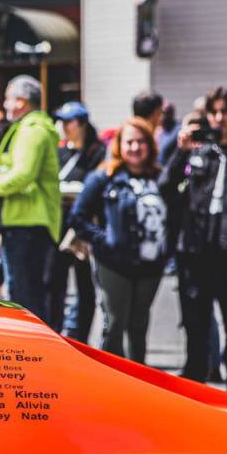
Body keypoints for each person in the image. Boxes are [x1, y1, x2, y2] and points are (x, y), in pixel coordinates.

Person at [161, 87, 227, 395]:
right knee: (195, 325)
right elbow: (165, 189)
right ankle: (196, 385)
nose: (220, 118)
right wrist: (180, 150)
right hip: (194, 254)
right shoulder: (195, 153)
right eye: (214, 113)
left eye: (225, 112)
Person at [71, 118, 170, 364]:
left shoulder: (159, 178)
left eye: (140, 142)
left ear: (149, 145)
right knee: (114, 322)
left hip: (150, 264)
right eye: (129, 142)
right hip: (113, 263)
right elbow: (78, 217)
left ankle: (139, 379)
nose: (135, 148)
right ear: (119, 146)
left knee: (139, 324)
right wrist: (104, 240)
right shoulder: (104, 177)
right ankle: (112, 379)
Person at [0, 76, 61, 318]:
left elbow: (23, 175)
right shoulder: (30, 128)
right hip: (24, 223)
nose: (4, 104)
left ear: (20, 101)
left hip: (27, 225)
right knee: (25, 296)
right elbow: (19, 172)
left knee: (26, 300)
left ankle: (35, 353)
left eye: (7, 99)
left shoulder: (33, 130)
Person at [46, 101, 106, 342]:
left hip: (82, 229)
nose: (63, 126)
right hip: (58, 226)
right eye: (61, 121)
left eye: (68, 122)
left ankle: (80, 338)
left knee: (85, 287)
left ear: (81, 124)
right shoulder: (60, 153)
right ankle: (53, 334)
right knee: (53, 282)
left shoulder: (97, 152)